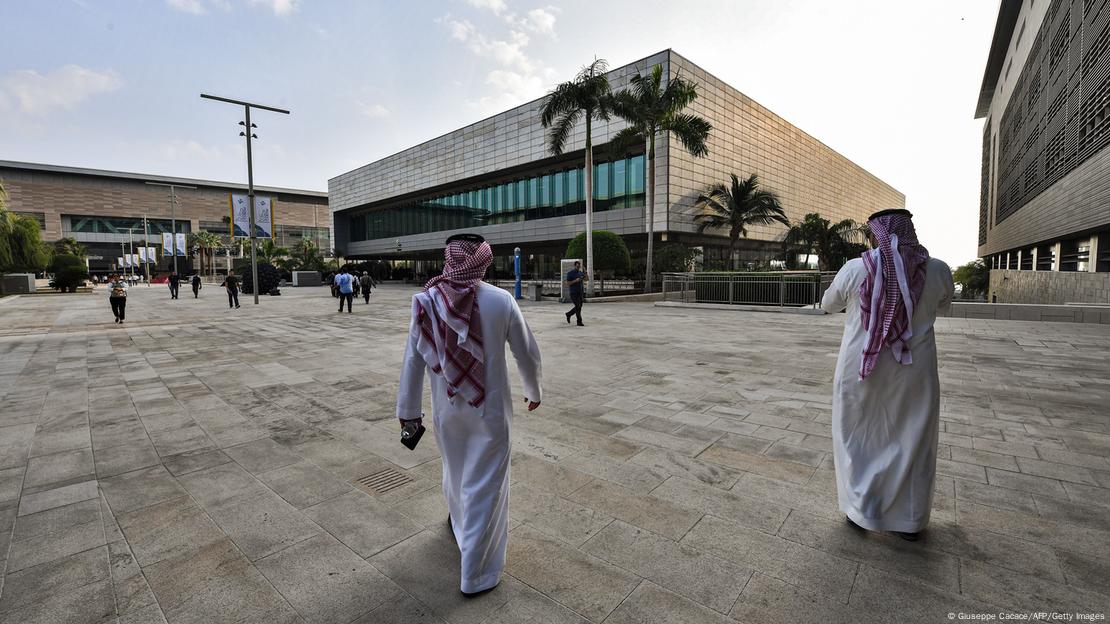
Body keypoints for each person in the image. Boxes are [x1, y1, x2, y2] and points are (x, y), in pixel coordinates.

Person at [396, 233, 542, 597]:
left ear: (449, 258)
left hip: (447, 413)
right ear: (483, 259)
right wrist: (533, 389)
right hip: (490, 412)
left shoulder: (427, 300)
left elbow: (412, 361)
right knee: (485, 487)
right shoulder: (500, 300)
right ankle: (477, 574)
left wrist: (409, 412)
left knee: (456, 475)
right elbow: (526, 352)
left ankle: (463, 531)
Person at [820, 209, 953, 541]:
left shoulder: (855, 269)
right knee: (911, 440)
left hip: (860, 371)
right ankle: (908, 520)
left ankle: (860, 510)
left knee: (859, 438)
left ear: (876, 233)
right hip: (914, 375)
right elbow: (945, 304)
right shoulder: (937, 270)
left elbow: (827, 304)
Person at [564, 260, 585, 326]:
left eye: (579, 266)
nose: (578, 267)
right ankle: (579, 321)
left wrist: (586, 272)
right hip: (573, 292)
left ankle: (568, 314)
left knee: (579, 306)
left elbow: (587, 279)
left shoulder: (580, 273)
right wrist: (575, 281)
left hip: (580, 292)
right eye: (577, 266)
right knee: (578, 306)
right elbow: (567, 283)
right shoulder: (570, 273)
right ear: (575, 266)